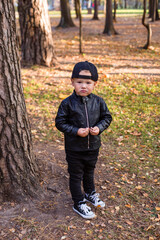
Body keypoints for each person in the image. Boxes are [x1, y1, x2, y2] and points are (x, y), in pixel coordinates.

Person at [55, 61, 112, 219]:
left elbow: (107, 117)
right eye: (79, 82)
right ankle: (78, 202)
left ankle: (90, 193)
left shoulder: (99, 102)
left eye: (88, 83)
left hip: (93, 146)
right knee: (76, 175)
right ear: (72, 82)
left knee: (89, 171)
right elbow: (60, 123)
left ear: (95, 84)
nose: (83, 86)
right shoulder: (67, 103)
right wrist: (75, 131)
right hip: (74, 149)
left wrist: (99, 128)